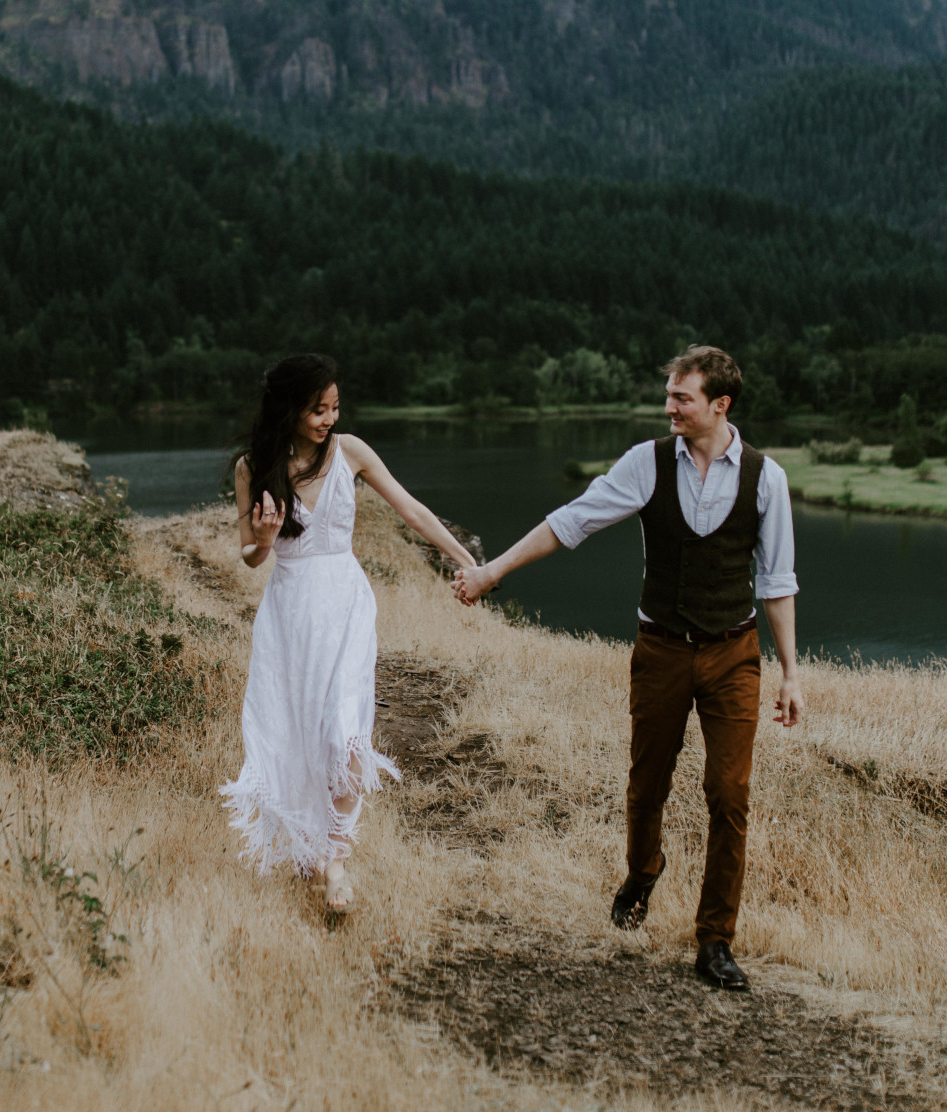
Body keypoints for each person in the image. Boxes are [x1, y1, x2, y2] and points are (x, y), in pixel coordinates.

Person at [453, 345, 803, 990]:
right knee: (647, 786)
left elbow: (777, 581)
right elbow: (571, 522)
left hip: (734, 652)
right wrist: (491, 571)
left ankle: (715, 941)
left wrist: (789, 673)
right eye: (669, 395)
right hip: (662, 649)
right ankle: (643, 871)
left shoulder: (767, 478)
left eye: (681, 398)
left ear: (719, 405)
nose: (668, 406)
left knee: (730, 795)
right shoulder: (646, 464)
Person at [221, 354, 479, 912]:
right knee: (293, 733)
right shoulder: (252, 467)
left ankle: (335, 862)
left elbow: (410, 508)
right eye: (318, 409)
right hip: (289, 613)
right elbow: (249, 556)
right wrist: (264, 538)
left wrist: (467, 561)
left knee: (345, 733)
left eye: (335, 407)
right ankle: (303, 846)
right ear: (289, 409)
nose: (329, 419)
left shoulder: (352, 452)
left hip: (345, 606)